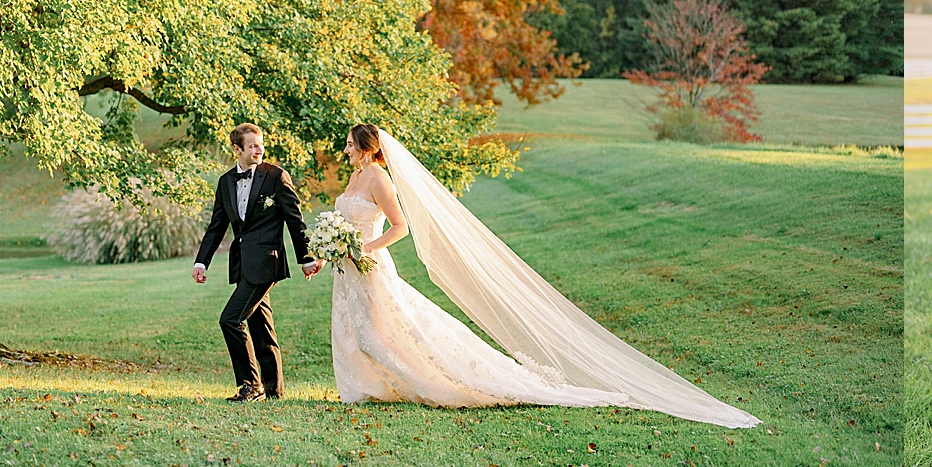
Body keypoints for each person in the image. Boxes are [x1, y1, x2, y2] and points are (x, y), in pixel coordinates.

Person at [325, 123, 760, 428]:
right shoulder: (356, 175)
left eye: (349, 144)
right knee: (359, 330)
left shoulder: (380, 179)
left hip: (370, 264)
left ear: (367, 147)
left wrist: (362, 247)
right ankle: (370, 387)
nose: (344, 149)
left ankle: (429, 381)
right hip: (350, 268)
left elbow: (399, 227)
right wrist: (333, 246)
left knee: (379, 332)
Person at [193, 123, 320, 402]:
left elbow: (294, 219)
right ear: (237, 149)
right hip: (243, 264)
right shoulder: (226, 181)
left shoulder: (275, 176)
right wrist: (202, 262)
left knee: (230, 319)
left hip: (267, 262)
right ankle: (274, 390)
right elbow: (217, 226)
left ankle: (252, 385)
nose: (259, 149)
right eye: (252, 145)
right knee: (261, 326)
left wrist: (307, 257)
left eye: (260, 144)